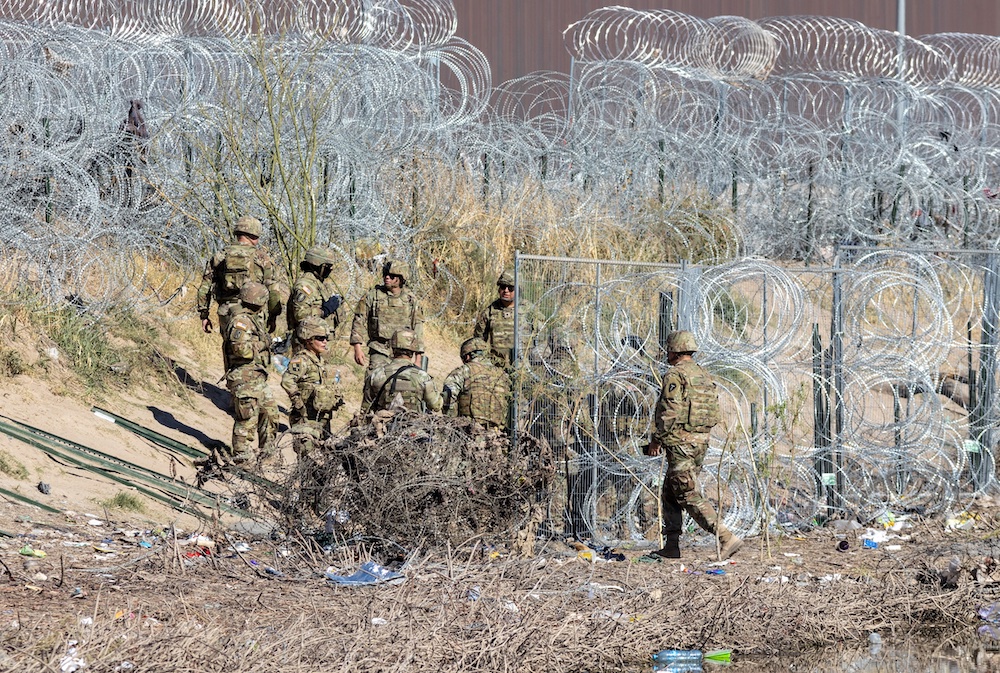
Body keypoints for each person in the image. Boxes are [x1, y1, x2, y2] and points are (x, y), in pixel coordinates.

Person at [643, 330, 742, 561]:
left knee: (687, 492)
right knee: (670, 492)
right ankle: (672, 545)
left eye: (668, 349)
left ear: (675, 350)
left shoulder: (675, 375)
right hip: (700, 442)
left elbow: (670, 412)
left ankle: (725, 536)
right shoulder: (703, 375)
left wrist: (657, 440)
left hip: (681, 443)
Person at [281, 317, 343, 514]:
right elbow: (287, 380)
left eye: (326, 338)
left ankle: (314, 503)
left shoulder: (318, 361)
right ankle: (304, 506)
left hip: (321, 422)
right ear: (309, 339)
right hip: (306, 421)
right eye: (320, 338)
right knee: (309, 463)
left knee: (321, 462)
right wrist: (298, 402)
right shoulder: (302, 360)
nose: (325, 342)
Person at [196, 215, 284, 345]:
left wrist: (204, 314)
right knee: (251, 351)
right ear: (254, 236)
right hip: (254, 313)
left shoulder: (220, 256)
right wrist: (273, 316)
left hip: (226, 311)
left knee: (230, 347)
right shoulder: (262, 258)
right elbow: (273, 290)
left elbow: (205, 287)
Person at [350, 259, 424, 405]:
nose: (387, 277)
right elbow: (359, 320)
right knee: (372, 385)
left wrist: (419, 358)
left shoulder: (411, 300)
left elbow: (418, 328)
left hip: (404, 352)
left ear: (401, 278)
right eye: (385, 274)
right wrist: (357, 347)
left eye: (391, 275)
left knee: (404, 388)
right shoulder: (373, 296)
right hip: (379, 349)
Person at [223, 282, 280, 465]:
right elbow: (241, 350)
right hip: (244, 376)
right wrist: (264, 344)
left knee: (270, 413)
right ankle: (242, 457)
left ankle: (268, 454)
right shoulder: (241, 322)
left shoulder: (253, 318)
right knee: (247, 418)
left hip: (256, 376)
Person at [442, 337, 512, 429]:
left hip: (469, 431)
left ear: (467, 356)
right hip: (497, 435)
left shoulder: (464, 371)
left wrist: (451, 422)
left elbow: (448, 395)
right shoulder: (503, 375)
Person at [365, 329, 442, 413]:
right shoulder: (422, 376)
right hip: (414, 425)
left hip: (383, 424)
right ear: (413, 351)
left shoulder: (377, 374)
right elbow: (436, 405)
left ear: (392, 348)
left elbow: (366, 409)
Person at [287, 245, 342, 337]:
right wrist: (325, 310)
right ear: (319, 266)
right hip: (307, 340)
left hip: (318, 338)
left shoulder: (317, 283)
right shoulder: (305, 286)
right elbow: (300, 315)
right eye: (328, 266)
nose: (331, 269)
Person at [473, 270, 517, 368]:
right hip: (497, 368)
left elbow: (541, 338)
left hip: (523, 369)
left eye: (510, 288)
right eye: (502, 287)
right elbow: (478, 341)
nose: (506, 290)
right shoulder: (490, 311)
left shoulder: (528, 311)